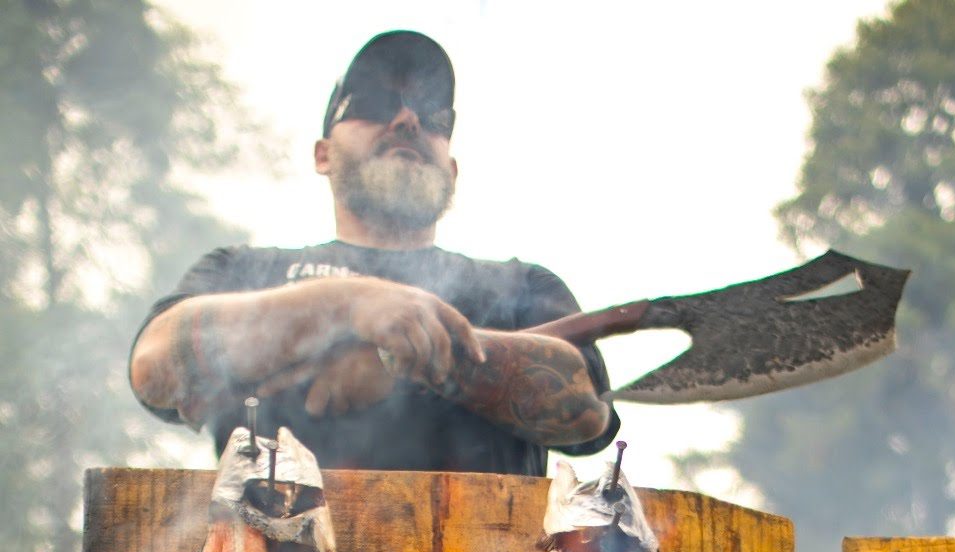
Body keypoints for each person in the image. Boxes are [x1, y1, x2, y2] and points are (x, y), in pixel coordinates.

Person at [129, 30, 619, 475]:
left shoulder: (520, 286)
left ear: (452, 169)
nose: (407, 120)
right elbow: (154, 366)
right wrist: (347, 305)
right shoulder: (243, 272)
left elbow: (588, 410)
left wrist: (397, 357)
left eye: (434, 116)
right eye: (374, 103)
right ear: (322, 153)